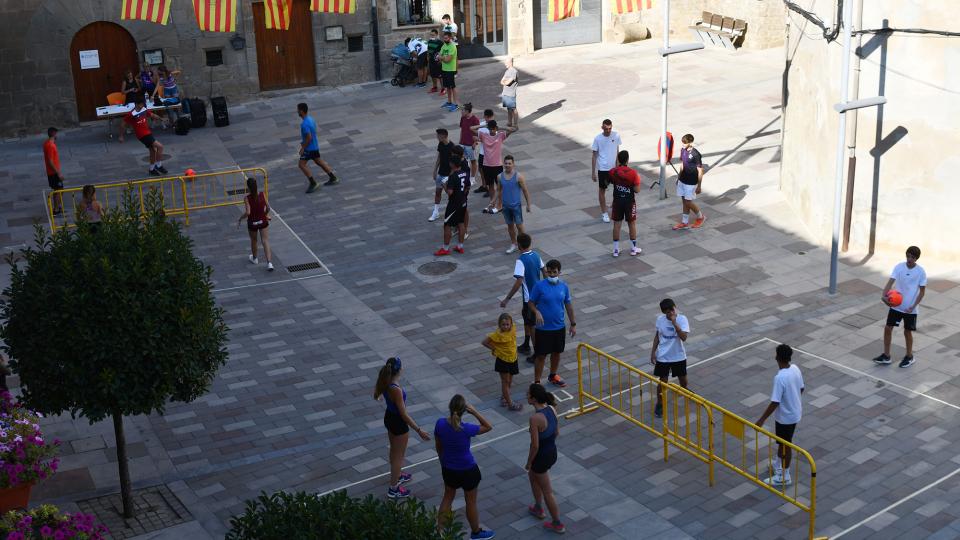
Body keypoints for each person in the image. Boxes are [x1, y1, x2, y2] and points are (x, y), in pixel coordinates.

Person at [435, 394, 495, 540]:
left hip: (449, 469)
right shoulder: (467, 428)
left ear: (450, 408)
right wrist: (474, 412)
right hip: (468, 470)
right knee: (471, 501)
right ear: (464, 411)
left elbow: (439, 447)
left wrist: (444, 462)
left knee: (448, 497)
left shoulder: (440, 424)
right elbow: (488, 426)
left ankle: (440, 532)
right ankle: (476, 533)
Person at [375, 357, 431, 499]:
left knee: (394, 450)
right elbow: (404, 414)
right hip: (399, 423)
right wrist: (419, 430)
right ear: (399, 370)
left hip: (389, 418)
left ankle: (397, 475)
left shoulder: (386, 381)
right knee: (398, 456)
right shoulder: (396, 389)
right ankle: (393, 488)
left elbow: (379, 394)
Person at [756, 344, 804, 487]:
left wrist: (761, 419)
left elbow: (775, 402)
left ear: (777, 357)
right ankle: (778, 464)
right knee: (782, 442)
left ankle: (784, 475)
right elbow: (801, 388)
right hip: (794, 412)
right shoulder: (795, 369)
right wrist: (792, 400)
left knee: (785, 444)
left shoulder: (780, 378)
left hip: (785, 417)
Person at [873, 246, 927, 368]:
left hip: (910, 309)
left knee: (907, 332)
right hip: (896, 306)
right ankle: (886, 356)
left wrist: (913, 306)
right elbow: (890, 282)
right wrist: (883, 296)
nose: (909, 259)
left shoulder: (921, 272)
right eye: (908, 256)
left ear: (916, 258)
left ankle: (909, 356)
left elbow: (922, 292)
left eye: (912, 257)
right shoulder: (899, 267)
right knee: (888, 328)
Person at [527, 259, 576, 388]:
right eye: (549, 272)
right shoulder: (539, 286)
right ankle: (537, 381)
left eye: (554, 272)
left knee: (556, 352)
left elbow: (568, 305)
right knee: (541, 355)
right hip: (543, 329)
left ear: (559, 272)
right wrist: (536, 312)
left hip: (559, 327)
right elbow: (531, 302)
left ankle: (553, 375)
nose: (552, 275)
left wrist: (573, 323)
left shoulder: (564, 286)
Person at [525, 383, 566, 534]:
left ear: (534, 399)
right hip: (551, 452)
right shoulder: (552, 409)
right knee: (532, 477)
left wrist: (529, 462)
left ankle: (557, 523)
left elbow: (534, 446)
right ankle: (537, 507)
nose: (526, 396)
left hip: (540, 457)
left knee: (547, 490)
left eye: (528, 394)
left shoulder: (535, 418)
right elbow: (556, 432)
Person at [501, 232, 544, 361]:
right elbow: (544, 271)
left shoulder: (521, 260)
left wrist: (507, 298)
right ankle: (526, 344)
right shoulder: (536, 255)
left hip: (529, 299)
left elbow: (519, 281)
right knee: (527, 320)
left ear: (519, 245)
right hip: (538, 295)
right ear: (530, 243)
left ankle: (537, 353)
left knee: (532, 326)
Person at [649, 298, 690, 418]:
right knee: (663, 381)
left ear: (675, 307)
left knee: (683, 379)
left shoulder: (682, 319)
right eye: (667, 311)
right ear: (663, 312)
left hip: (678, 355)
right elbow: (657, 336)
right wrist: (653, 352)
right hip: (663, 356)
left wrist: (674, 323)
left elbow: (684, 337)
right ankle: (660, 403)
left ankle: (685, 390)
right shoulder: (660, 320)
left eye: (672, 309)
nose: (671, 313)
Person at [471, 119, 517, 213]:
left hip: (497, 165)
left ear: (496, 128)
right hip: (486, 165)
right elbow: (471, 128)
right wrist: (484, 126)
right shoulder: (484, 136)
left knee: (500, 186)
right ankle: (492, 203)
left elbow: (514, 129)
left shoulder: (500, 136)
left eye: (493, 129)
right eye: (490, 129)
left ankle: (500, 204)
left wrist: (499, 127)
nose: (492, 131)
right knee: (490, 186)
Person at [483, 313, 522, 411]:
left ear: (511, 324)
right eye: (503, 325)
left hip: (513, 358)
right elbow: (484, 342)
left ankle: (504, 396)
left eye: (507, 324)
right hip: (502, 360)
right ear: (499, 325)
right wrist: (494, 349)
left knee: (510, 380)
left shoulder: (513, 329)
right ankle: (510, 404)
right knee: (505, 381)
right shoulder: (497, 335)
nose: (505, 326)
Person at [297, 103, 340, 193]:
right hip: (315, 146)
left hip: (309, 149)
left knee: (301, 165)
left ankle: (313, 183)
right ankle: (333, 177)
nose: (297, 111)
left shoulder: (304, 124)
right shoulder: (311, 119)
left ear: (301, 111)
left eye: (298, 110)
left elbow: (309, 137)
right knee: (319, 162)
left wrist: (303, 148)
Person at [435, 146, 470, 256]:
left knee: (447, 225)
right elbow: (467, 187)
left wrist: (444, 184)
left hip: (454, 204)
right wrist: (462, 194)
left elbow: (450, 192)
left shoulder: (453, 177)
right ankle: (460, 246)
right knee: (461, 223)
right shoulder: (465, 173)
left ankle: (445, 248)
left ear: (453, 165)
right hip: (463, 201)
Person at [608, 150, 642, 257]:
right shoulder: (633, 173)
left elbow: (607, 182)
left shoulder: (613, 172)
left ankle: (616, 250)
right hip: (629, 202)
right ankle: (633, 249)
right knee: (631, 224)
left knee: (617, 225)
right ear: (627, 160)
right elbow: (637, 190)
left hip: (617, 201)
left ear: (618, 159)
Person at [236, 177, 274, 271]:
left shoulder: (247, 198)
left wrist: (240, 218)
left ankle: (255, 258)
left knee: (254, 240)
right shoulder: (262, 194)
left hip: (252, 223)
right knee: (265, 240)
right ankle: (269, 263)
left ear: (248, 187)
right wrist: (265, 215)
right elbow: (268, 207)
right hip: (263, 221)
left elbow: (248, 213)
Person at [496, 155, 532, 254]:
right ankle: (513, 243)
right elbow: (498, 190)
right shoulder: (500, 176)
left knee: (519, 226)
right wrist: (493, 201)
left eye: (509, 163)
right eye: (506, 163)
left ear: (513, 164)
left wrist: (528, 205)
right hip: (506, 206)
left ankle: (525, 245)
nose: (507, 165)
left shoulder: (518, 177)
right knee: (510, 226)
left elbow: (525, 191)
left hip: (516, 206)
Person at [123, 96, 167, 176]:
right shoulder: (131, 114)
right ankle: (159, 165)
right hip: (142, 135)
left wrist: (160, 118)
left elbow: (152, 115)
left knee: (153, 151)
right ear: (136, 104)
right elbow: (122, 124)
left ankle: (152, 169)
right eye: (141, 104)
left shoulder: (144, 110)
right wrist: (121, 136)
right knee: (160, 147)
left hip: (147, 132)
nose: (143, 105)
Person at [672, 133, 706, 230]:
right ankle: (685, 222)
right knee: (684, 201)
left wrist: (699, 186)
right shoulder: (683, 150)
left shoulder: (696, 154)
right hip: (682, 180)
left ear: (691, 143)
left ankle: (700, 217)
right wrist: (679, 177)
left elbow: (700, 171)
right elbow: (682, 164)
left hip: (691, 182)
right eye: (682, 143)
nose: (683, 145)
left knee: (688, 201)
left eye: (685, 143)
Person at [591, 119, 621, 223]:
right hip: (603, 169)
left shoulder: (616, 136)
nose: (608, 130)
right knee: (602, 190)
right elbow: (594, 156)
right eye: (606, 128)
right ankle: (604, 213)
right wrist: (593, 172)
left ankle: (613, 205)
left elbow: (617, 151)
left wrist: (619, 166)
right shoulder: (598, 139)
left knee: (618, 188)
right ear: (602, 128)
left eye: (610, 128)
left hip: (614, 168)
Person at [431, 128, 457, 222]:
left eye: (438, 135)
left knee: (450, 194)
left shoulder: (452, 147)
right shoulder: (440, 144)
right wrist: (435, 170)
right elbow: (439, 157)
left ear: (444, 136)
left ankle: (453, 212)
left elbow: (455, 163)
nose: (437, 137)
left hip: (448, 175)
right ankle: (436, 211)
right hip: (440, 173)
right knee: (438, 192)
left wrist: (450, 176)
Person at [473, 109, 495, 196]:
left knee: (488, 172)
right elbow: (475, 130)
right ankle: (484, 185)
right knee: (481, 169)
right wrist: (475, 141)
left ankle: (490, 189)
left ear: (486, 116)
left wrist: (478, 140)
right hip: (482, 152)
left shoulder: (493, 126)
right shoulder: (483, 124)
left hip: (489, 154)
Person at [43, 127, 64, 215]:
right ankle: (56, 209)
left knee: (58, 190)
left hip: (52, 172)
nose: (57, 135)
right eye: (56, 133)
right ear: (53, 133)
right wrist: (58, 173)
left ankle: (58, 207)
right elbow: (50, 161)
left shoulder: (47, 143)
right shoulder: (50, 146)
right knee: (59, 190)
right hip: (53, 173)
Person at [118, 69, 142, 142]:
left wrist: (137, 90)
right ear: (126, 76)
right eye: (128, 75)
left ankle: (137, 127)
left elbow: (140, 88)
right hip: (129, 99)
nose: (130, 76)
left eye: (131, 75)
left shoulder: (135, 80)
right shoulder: (125, 82)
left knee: (137, 113)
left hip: (136, 98)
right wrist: (130, 90)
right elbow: (122, 92)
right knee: (130, 114)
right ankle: (129, 127)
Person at [459, 103, 480, 182]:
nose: (461, 111)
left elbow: (478, 133)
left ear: (467, 111)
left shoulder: (475, 119)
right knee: (463, 160)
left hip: (471, 144)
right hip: (463, 143)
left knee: (473, 161)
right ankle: (465, 175)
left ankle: (472, 178)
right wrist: (460, 141)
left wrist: (475, 143)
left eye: (463, 110)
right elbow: (462, 129)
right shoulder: (463, 118)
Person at [439, 31, 459, 111]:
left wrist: (442, 57)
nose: (445, 39)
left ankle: (456, 104)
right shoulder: (444, 45)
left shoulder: (452, 46)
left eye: (446, 38)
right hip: (444, 69)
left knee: (452, 87)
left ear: (450, 38)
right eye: (444, 38)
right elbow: (439, 55)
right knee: (447, 87)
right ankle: (449, 102)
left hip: (451, 70)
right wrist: (443, 57)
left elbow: (447, 59)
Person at [500, 57, 519, 129]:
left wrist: (505, 81)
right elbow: (501, 81)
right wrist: (505, 82)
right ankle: (509, 122)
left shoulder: (514, 72)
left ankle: (516, 124)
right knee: (508, 109)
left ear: (510, 62)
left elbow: (507, 82)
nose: (505, 64)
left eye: (506, 63)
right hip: (505, 93)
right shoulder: (507, 71)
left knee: (513, 109)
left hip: (511, 93)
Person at [426, 29, 444, 94]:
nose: (432, 36)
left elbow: (443, 52)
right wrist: (428, 58)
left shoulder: (440, 43)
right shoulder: (430, 41)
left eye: (433, 35)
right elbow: (428, 51)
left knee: (440, 76)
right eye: (431, 35)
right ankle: (435, 87)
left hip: (438, 62)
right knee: (433, 75)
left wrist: (441, 60)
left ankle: (443, 89)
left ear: (436, 34)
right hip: (431, 61)